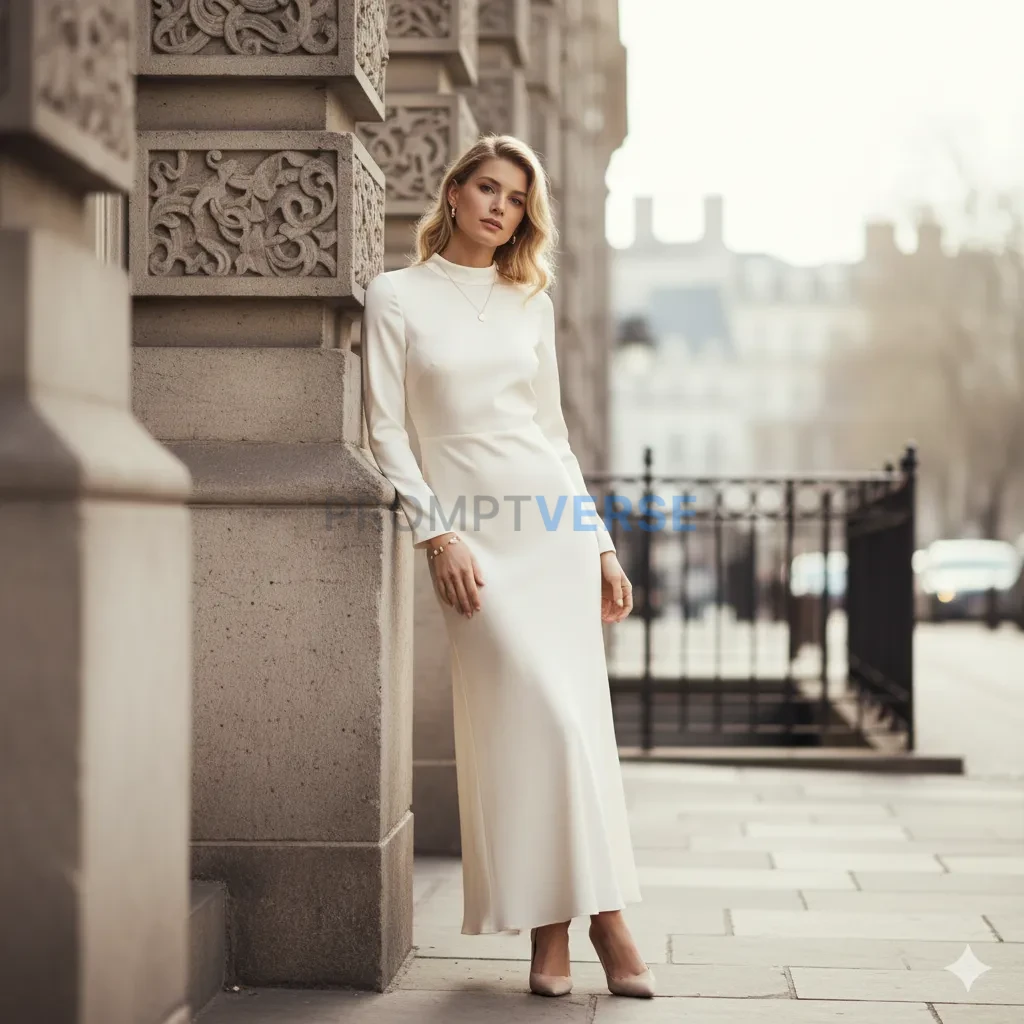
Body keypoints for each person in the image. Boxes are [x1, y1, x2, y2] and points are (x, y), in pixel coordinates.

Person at [360, 134, 655, 999]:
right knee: (528, 732)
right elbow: (385, 432)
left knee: (568, 730)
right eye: (487, 188)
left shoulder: (531, 297)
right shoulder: (395, 296)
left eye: (517, 198)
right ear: (452, 192)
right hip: (473, 541)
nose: (500, 207)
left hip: (548, 534)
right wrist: (436, 534)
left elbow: (553, 437)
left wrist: (597, 542)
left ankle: (555, 934)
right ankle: (607, 921)